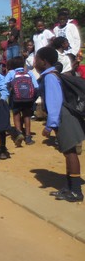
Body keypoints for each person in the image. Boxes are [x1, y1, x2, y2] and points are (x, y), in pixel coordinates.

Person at [36, 46, 84, 202]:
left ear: (44, 61)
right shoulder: (53, 74)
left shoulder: (50, 77)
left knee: (70, 153)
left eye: (36, 59)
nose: (34, 62)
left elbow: (54, 103)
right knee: (67, 152)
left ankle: (76, 191)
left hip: (63, 117)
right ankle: (69, 187)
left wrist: (49, 126)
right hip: (64, 116)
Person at [5, 56, 38, 146]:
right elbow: (36, 86)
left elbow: (5, 83)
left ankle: (19, 133)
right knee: (27, 116)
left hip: (15, 98)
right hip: (28, 98)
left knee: (16, 115)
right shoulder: (29, 72)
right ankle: (28, 136)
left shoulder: (11, 72)